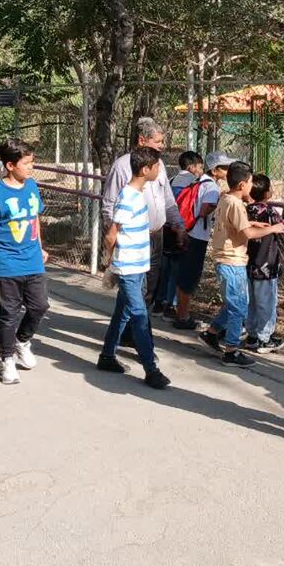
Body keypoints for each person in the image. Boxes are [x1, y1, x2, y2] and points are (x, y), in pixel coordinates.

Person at [201, 161, 284, 367]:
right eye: (251, 182)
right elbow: (247, 234)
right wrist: (272, 228)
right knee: (239, 308)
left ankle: (212, 332)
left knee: (233, 303)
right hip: (232, 260)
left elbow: (233, 224)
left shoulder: (226, 198)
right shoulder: (236, 205)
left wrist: (252, 222)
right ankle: (231, 351)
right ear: (242, 185)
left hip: (226, 259)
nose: (252, 186)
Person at [95, 146, 172, 389]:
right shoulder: (128, 197)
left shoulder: (139, 193)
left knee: (124, 311)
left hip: (138, 265)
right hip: (128, 268)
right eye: (157, 166)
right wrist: (111, 262)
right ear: (145, 169)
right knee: (139, 315)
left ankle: (107, 356)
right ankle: (151, 369)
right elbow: (112, 234)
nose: (159, 170)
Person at [100, 118, 186, 334]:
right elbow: (109, 205)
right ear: (141, 140)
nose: (162, 146)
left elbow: (167, 199)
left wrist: (178, 225)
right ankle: (137, 333)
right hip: (132, 239)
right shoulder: (122, 166)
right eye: (158, 141)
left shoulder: (159, 166)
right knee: (136, 288)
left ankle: (128, 331)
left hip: (156, 235)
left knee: (150, 286)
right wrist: (114, 237)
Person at [0, 139, 50, 385]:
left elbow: (35, 219)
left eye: (32, 162)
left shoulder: (32, 186)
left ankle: (22, 341)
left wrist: (40, 247)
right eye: (26, 163)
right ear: (10, 165)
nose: (31, 167)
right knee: (9, 312)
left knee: (40, 306)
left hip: (32, 259)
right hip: (5, 261)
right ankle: (6, 359)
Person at [171, 152, 232, 329]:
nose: (228, 171)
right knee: (190, 277)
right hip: (197, 235)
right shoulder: (211, 187)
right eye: (225, 168)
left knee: (184, 275)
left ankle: (181, 313)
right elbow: (204, 211)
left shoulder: (198, 181)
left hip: (188, 231)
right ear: (215, 170)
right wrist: (220, 202)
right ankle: (183, 317)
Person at [243, 174, 284, 353]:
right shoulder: (269, 212)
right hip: (266, 265)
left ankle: (252, 336)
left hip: (249, 263)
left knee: (252, 302)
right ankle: (265, 338)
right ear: (267, 193)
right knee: (266, 302)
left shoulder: (246, 210)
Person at [154, 151, 204, 314]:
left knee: (164, 267)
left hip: (166, 228)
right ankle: (171, 304)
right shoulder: (195, 183)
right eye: (200, 167)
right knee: (177, 269)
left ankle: (159, 302)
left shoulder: (171, 180)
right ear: (192, 167)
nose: (201, 171)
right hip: (184, 229)